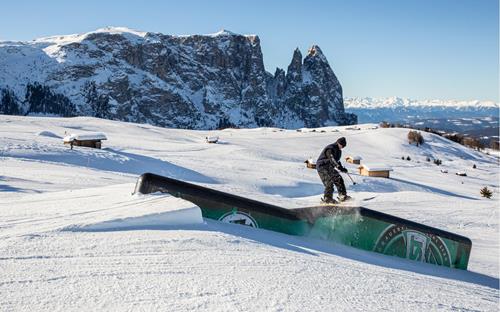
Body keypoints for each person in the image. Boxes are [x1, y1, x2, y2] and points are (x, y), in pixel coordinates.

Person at [316, 137, 350, 203]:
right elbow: (332, 159)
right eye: (341, 145)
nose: (342, 147)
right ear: (338, 143)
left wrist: (342, 168)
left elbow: (337, 161)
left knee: (338, 178)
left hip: (329, 167)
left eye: (343, 146)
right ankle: (327, 198)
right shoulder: (330, 148)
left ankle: (342, 196)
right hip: (322, 166)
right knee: (329, 181)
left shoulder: (339, 151)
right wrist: (338, 166)